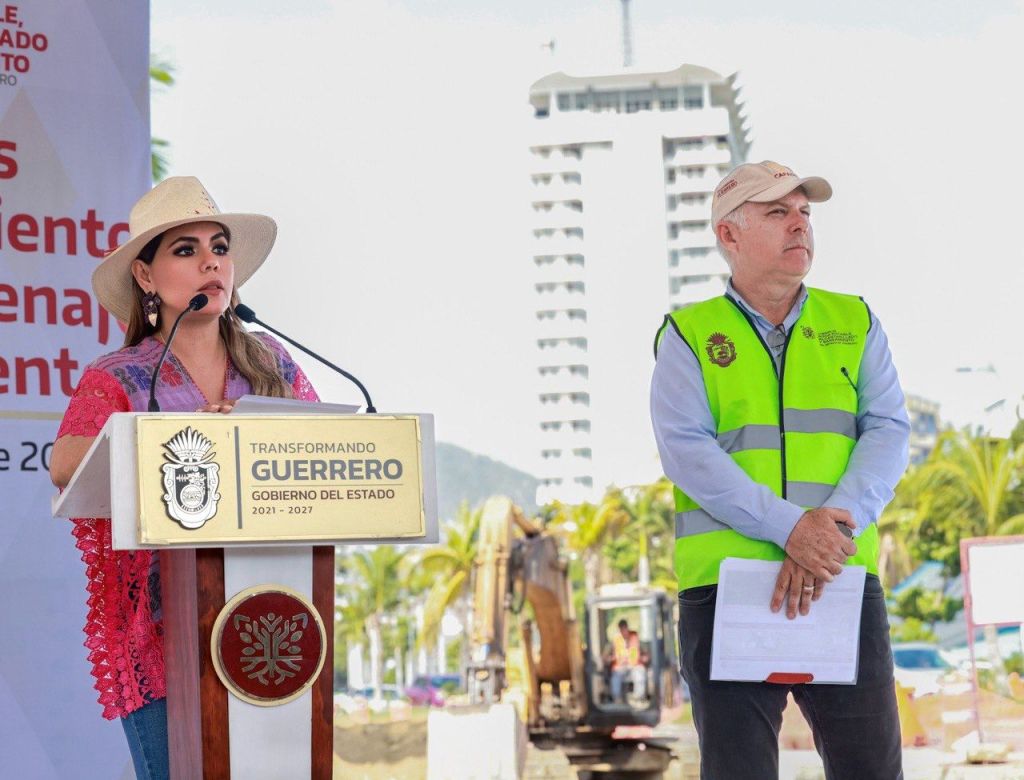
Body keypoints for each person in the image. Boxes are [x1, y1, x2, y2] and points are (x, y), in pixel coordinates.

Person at [50, 176, 319, 780]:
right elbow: (65, 461)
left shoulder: (272, 362)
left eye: (219, 248)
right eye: (185, 249)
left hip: (272, 619)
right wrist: (185, 437)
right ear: (146, 277)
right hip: (164, 634)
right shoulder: (120, 374)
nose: (210, 262)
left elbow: (320, 441)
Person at [650, 160, 910, 779]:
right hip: (725, 590)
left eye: (805, 213)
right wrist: (791, 528)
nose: (800, 225)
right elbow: (687, 452)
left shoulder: (854, 322)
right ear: (729, 235)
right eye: (778, 212)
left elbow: (889, 429)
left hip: (838, 579)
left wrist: (827, 533)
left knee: (871, 770)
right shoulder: (688, 335)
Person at [605, 619, 647, 704]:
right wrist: (611, 658)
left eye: (624, 629)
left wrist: (644, 658)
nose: (623, 632)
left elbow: (646, 653)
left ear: (627, 628)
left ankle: (638, 698)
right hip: (620, 667)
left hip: (635, 666)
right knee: (615, 678)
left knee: (639, 675)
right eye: (621, 629)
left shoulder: (635, 638)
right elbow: (605, 656)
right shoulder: (615, 641)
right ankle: (617, 699)